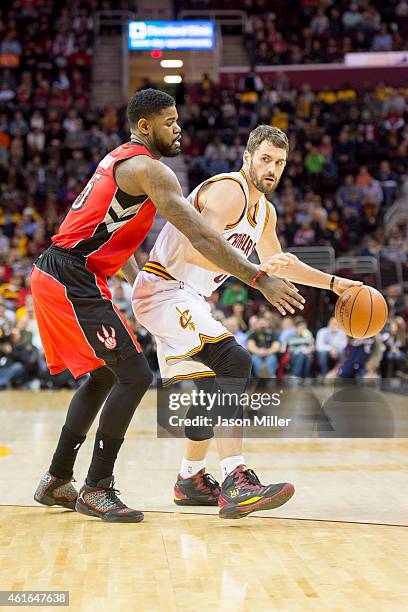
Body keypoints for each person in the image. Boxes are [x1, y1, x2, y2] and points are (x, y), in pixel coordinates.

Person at [132, 124, 362, 519]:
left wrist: (335, 283)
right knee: (235, 361)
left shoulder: (264, 212)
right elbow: (193, 251)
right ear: (247, 158)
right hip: (164, 287)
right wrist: (256, 274)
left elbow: (281, 264)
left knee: (209, 393)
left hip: (187, 296)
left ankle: (190, 480)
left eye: (280, 163)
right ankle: (236, 477)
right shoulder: (228, 191)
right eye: (266, 159)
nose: (272, 169)